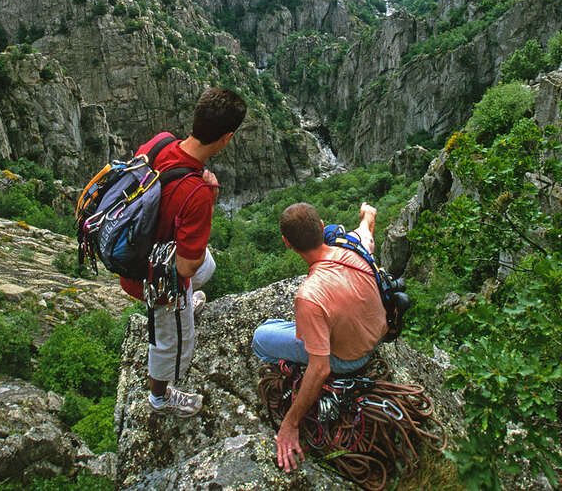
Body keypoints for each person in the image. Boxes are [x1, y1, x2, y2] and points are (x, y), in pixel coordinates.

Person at [120, 86, 246, 417]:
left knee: (211, 264)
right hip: (152, 279)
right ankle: (160, 398)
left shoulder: (159, 142)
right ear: (227, 137)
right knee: (174, 342)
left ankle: (186, 304)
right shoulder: (198, 193)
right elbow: (187, 267)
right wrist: (209, 197)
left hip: (134, 250)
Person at [252, 201, 388, 473]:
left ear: (286, 243)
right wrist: (367, 213)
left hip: (349, 359)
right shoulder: (353, 245)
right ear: (322, 227)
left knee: (262, 336)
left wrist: (290, 424)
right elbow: (367, 230)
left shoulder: (309, 296)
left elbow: (321, 368)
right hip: (375, 334)